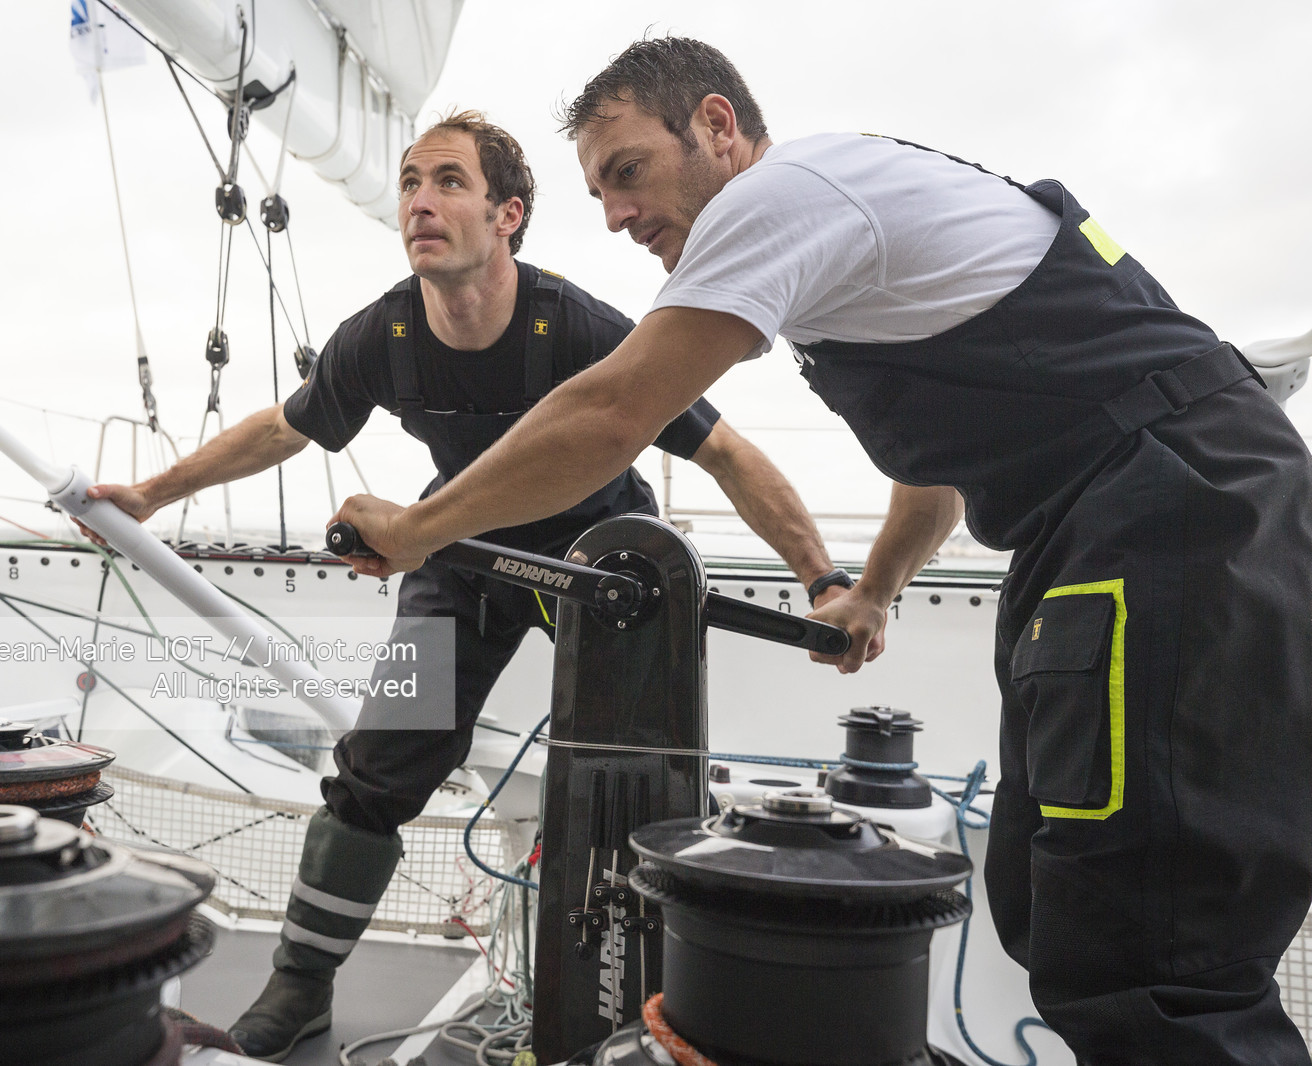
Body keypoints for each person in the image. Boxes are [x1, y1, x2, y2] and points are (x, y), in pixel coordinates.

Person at [332, 40, 1312, 1066]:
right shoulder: (844, 242)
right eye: (599, 194)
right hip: (1111, 524)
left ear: (716, 126)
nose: (616, 215)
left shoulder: (781, 196)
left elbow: (614, 412)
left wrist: (416, 528)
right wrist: (870, 590)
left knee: (1149, 962)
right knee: (1056, 903)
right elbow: (938, 461)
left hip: (1164, 513)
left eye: (627, 171)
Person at [84, 109, 852, 1061]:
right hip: (462, 561)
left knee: (639, 785)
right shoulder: (384, 335)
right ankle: (300, 986)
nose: (420, 201)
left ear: (507, 215)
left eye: (449, 181)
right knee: (373, 775)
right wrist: (150, 495)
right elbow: (286, 427)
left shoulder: (580, 328)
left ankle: (645, 1004)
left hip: (600, 569)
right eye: (411, 182)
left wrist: (825, 580)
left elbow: (724, 451)